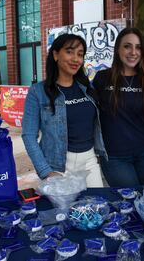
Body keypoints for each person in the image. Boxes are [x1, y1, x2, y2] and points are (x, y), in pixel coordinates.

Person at [22, 33, 107, 187]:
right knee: (62, 211)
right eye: (69, 52)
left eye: (80, 54)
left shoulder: (87, 89)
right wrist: (45, 171)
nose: (76, 59)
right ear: (55, 55)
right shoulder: (38, 92)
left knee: (96, 207)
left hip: (89, 161)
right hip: (57, 166)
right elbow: (28, 135)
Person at [93, 28, 144, 187]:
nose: (133, 52)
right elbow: (89, 113)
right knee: (128, 200)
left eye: (138, 47)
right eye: (127, 46)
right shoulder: (102, 78)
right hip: (114, 156)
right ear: (118, 49)